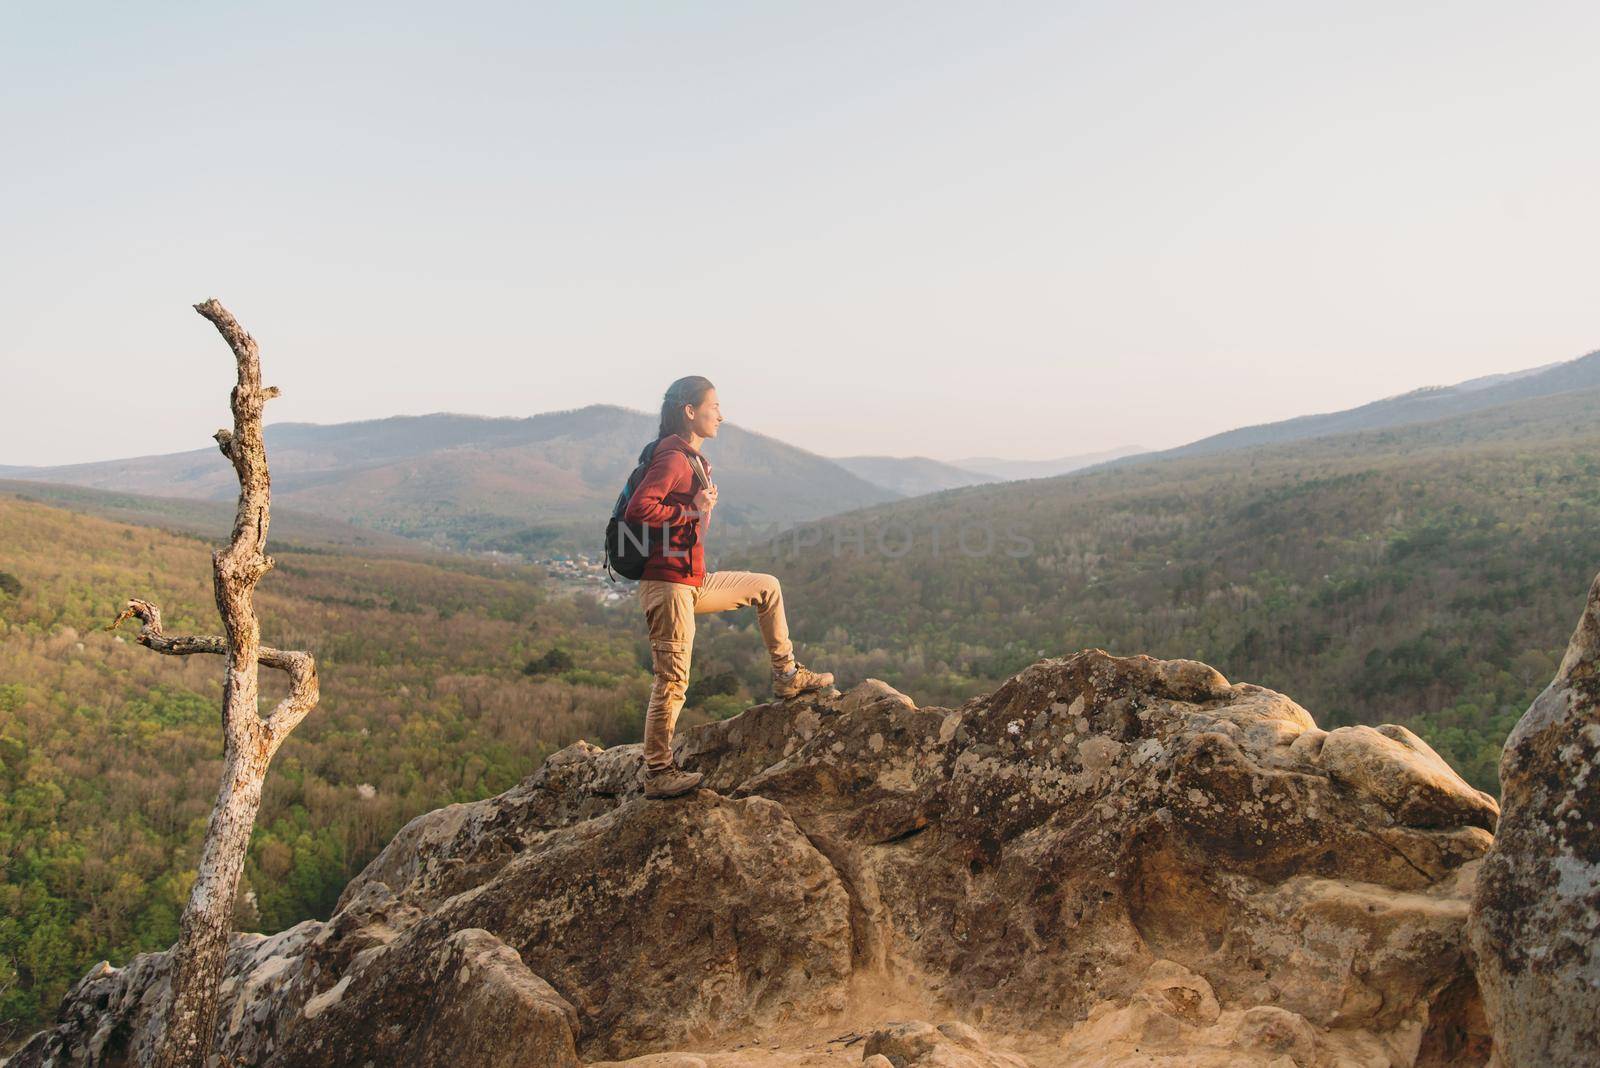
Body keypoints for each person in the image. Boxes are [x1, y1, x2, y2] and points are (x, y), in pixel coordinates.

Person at [624, 375, 834, 799]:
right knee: (673, 680)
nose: (721, 414)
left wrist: (700, 511)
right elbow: (638, 509)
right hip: (667, 587)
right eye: (714, 405)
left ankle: (787, 675)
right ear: (690, 410)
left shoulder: (693, 460)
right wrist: (690, 508)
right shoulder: (673, 457)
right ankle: (659, 772)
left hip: (691, 582)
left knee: (766, 587)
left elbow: (686, 523)